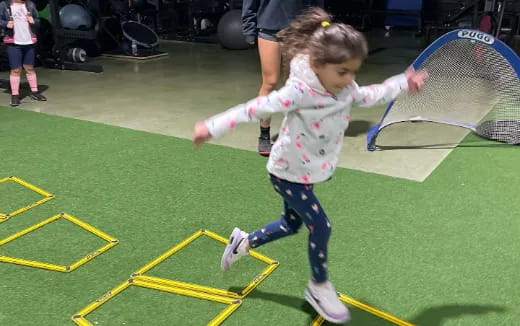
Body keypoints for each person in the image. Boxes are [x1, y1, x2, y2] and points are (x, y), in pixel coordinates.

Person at [193, 7, 427, 324]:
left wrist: (403, 82)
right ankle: (318, 286)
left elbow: (371, 93)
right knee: (321, 226)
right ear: (317, 65)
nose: (350, 80)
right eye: (343, 72)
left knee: (291, 224)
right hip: (287, 173)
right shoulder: (299, 92)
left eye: (353, 72)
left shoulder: (344, 86)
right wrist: (212, 126)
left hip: (307, 170)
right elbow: (257, 107)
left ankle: (242, 243)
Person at [242, 0, 324, 156]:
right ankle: (264, 136)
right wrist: (249, 28)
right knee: (270, 82)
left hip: (301, 30)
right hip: (269, 28)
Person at [0, 0, 47, 107]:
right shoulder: (5, 5)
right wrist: (6, 24)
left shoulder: (29, 4)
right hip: (14, 42)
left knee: (29, 68)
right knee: (16, 69)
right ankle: (15, 95)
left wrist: (33, 21)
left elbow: (38, 21)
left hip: (29, 41)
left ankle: (34, 92)